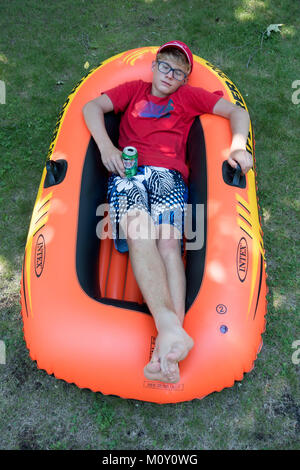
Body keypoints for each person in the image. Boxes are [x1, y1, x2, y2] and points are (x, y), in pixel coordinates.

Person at [83, 40, 253, 384]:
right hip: (129, 173)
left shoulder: (188, 99)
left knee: (169, 246)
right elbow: (91, 107)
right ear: (154, 66)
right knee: (138, 231)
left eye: (178, 71)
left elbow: (237, 112)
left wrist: (238, 145)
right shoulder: (134, 90)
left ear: (184, 79)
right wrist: (106, 147)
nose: (169, 75)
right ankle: (171, 335)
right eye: (165, 66)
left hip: (169, 177)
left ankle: (168, 343)